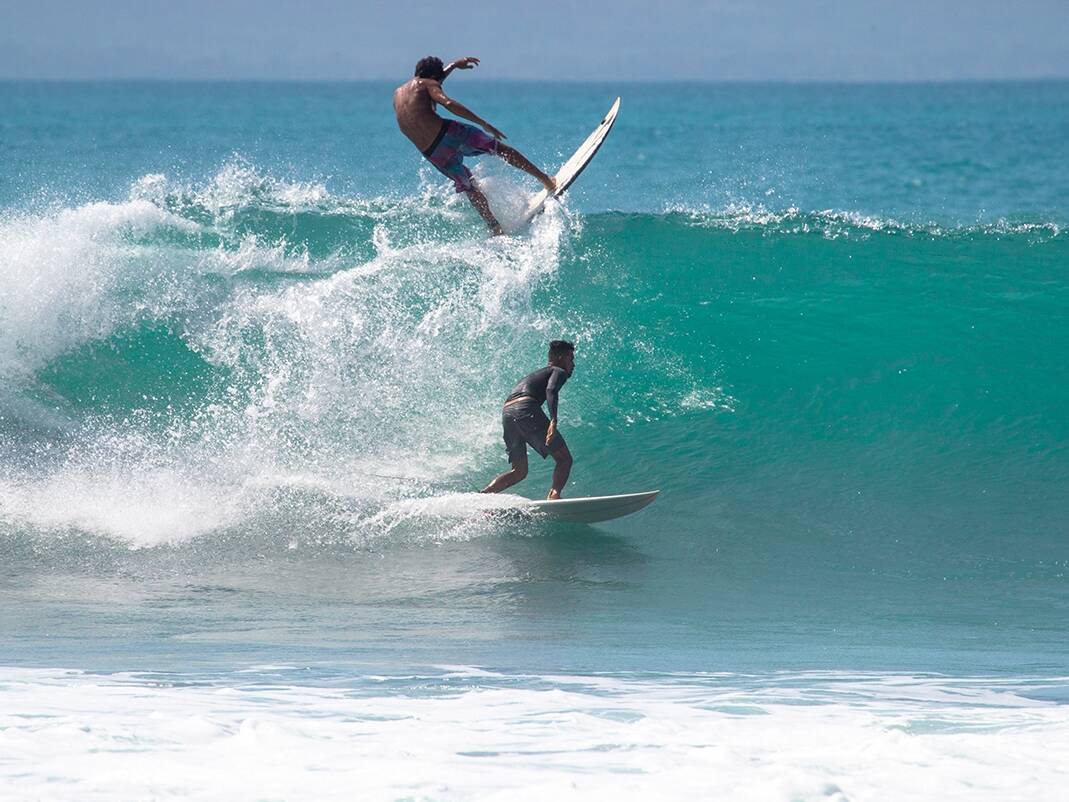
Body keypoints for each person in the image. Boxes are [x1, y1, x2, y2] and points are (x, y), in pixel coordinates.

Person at [393, 56, 556, 235]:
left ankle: (495, 227)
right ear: (433, 76)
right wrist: (482, 123)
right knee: (500, 149)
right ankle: (546, 180)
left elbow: (429, 86)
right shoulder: (430, 84)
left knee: (469, 186)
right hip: (449, 134)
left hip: (433, 152)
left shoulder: (399, 93)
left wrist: (453, 66)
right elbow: (446, 101)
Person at [482, 340, 575, 499]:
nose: (573, 364)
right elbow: (551, 390)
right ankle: (554, 496)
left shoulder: (536, 374)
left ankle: (482, 496)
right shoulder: (558, 371)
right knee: (564, 459)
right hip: (525, 407)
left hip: (507, 411)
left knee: (519, 471)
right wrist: (553, 420)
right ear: (560, 358)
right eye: (571, 359)